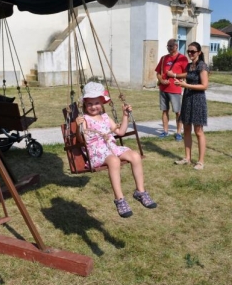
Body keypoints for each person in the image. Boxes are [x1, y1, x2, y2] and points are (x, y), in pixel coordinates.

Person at [76, 82, 157, 218]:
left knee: (135, 156)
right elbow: (81, 139)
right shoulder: (85, 119)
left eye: (96, 103)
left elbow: (120, 132)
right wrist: (79, 128)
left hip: (111, 148)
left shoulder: (106, 117)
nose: (93, 106)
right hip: (96, 152)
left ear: (102, 103)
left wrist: (125, 115)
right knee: (114, 161)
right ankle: (120, 200)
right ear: (85, 104)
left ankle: (140, 192)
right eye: (89, 104)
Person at [172, 42, 209, 170]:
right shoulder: (189, 66)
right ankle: (187, 158)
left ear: (199, 52)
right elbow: (187, 80)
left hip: (198, 100)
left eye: (193, 51)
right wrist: (180, 82)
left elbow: (204, 86)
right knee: (186, 129)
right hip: (187, 98)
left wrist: (186, 85)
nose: (190, 54)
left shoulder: (202, 66)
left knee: (198, 131)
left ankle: (200, 161)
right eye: (188, 51)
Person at [155, 39, 188, 141]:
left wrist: (174, 75)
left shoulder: (182, 58)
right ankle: (165, 131)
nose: (169, 48)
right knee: (165, 110)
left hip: (175, 89)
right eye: (168, 46)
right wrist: (161, 80)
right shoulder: (164, 58)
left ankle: (178, 133)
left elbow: (187, 73)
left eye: (171, 46)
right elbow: (158, 72)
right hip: (163, 89)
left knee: (178, 111)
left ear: (176, 46)